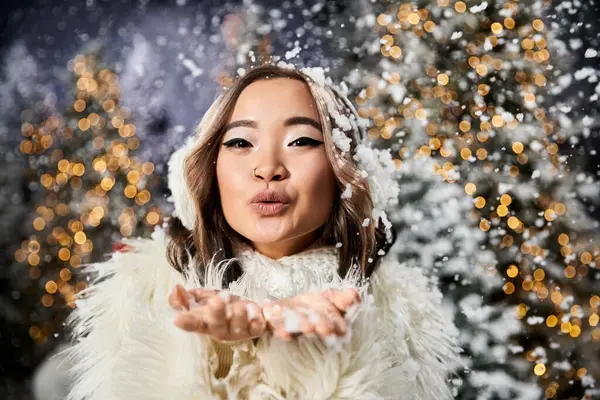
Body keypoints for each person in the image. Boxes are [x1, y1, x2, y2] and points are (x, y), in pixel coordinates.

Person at [59, 63, 461, 399]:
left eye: (301, 140)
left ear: (345, 171)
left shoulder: (400, 313)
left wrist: (317, 355)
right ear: (208, 170)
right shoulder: (143, 295)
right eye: (239, 143)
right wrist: (209, 355)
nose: (267, 167)